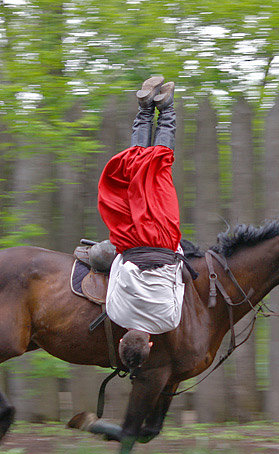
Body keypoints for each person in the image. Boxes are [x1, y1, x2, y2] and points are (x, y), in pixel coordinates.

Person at [96, 75, 188, 371]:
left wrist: (175, 248)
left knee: (159, 168)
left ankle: (167, 106)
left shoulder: (168, 321)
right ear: (123, 341)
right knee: (131, 172)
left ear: (149, 344)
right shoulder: (116, 314)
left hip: (164, 241)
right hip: (130, 241)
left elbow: (179, 280)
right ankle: (146, 109)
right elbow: (117, 268)